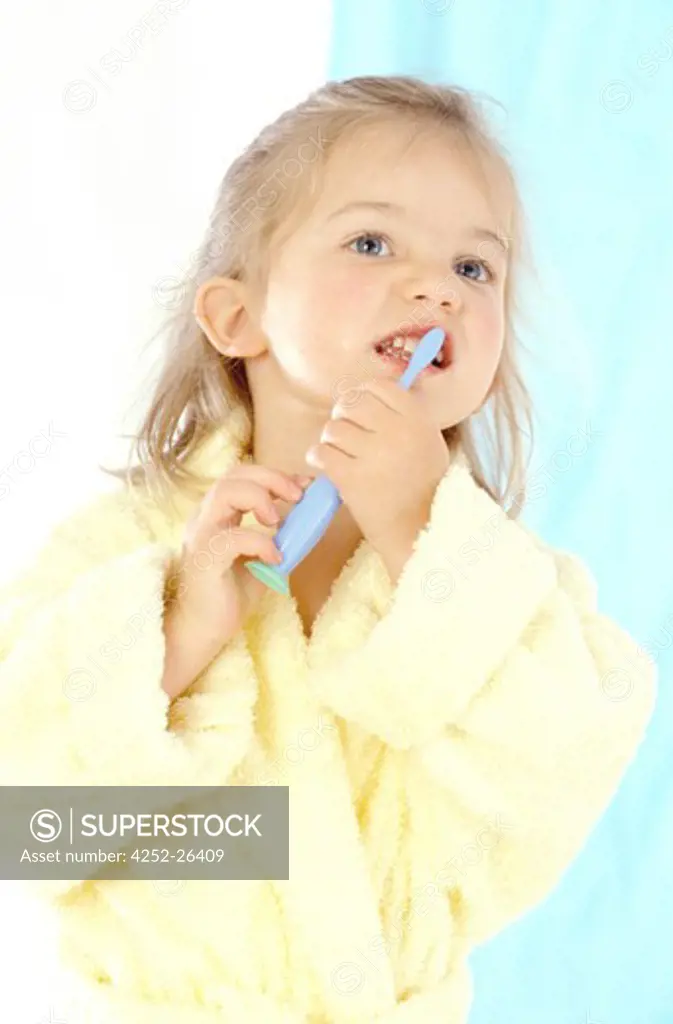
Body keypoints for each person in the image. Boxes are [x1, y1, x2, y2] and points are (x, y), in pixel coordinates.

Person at [0, 75, 657, 1023]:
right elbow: (28, 830)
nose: (436, 286)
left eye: (474, 269)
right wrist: (177, 631)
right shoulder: (127, 553)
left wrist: (419, 531)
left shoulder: (502, 585)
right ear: (238, 317)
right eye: (371, 242)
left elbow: (553, 788)